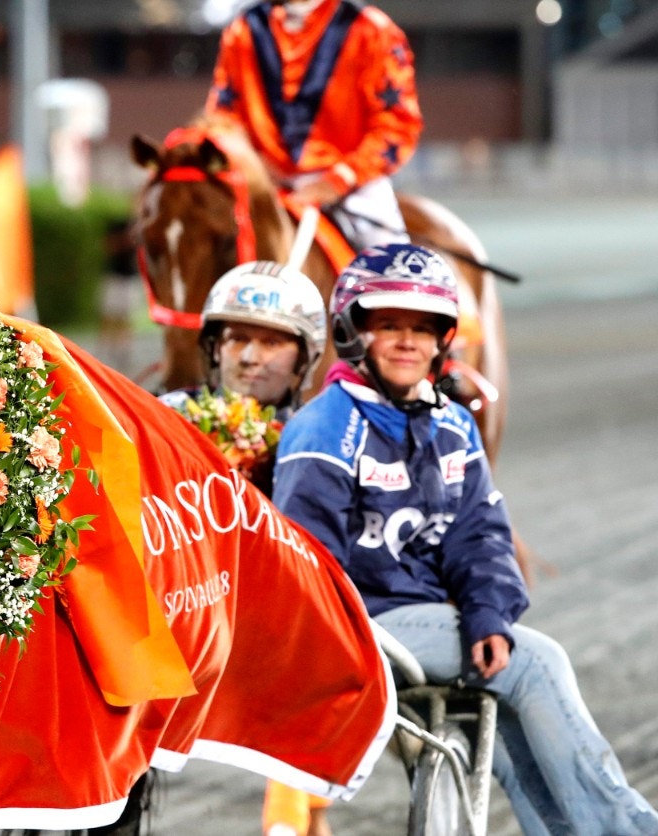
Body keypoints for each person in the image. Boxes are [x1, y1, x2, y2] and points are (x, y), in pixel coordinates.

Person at [272, 243, 658, 835]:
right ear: (352, 332)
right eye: (390, 325)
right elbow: (306, 565)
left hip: (426, 625)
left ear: (442, 340)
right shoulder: (324, 427)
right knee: (539, 662)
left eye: (423, 329)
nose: (408, 342)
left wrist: (487, 615)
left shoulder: (452, 423)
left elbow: (480, 534)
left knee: (503, 718)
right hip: (357, 629)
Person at [162, 260, 333, 836]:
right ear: (214, 347)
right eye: (236, 337)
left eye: (270, 341)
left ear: (306, 359)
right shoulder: (167, 418)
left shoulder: (326, 432)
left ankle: (286, 822)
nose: (249, 356)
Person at [205, 0, 421, 252]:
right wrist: (256, 168)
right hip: (265, 183)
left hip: (352, 185)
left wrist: (339, 180)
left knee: (389, 265)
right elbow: (222, 120)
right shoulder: (242, 28)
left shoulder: (371, 29)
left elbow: (398, 124)